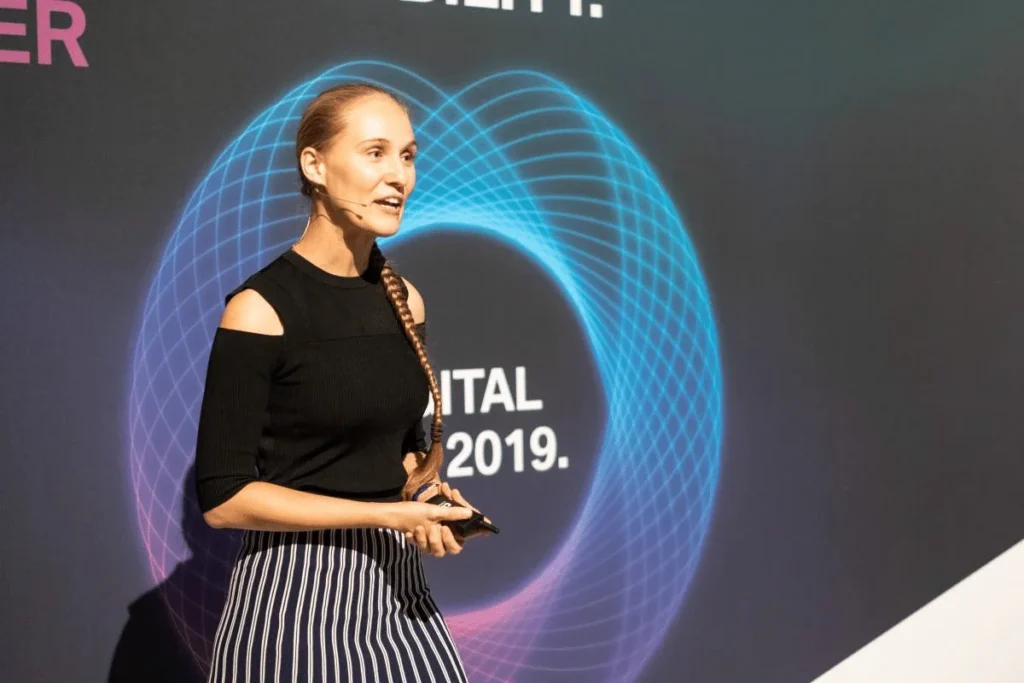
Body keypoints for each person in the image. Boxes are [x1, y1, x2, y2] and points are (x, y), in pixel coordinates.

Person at [194, 82, 490, 683]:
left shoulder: (405, 300)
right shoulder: (260, 308)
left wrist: (428, 498)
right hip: (292, 609)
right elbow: (224, 500)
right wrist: (385, 517)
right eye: (375, 153)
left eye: (407, 156)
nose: (398, 176)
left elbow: (397, 448)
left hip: (403, 606)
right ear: (316, 165)